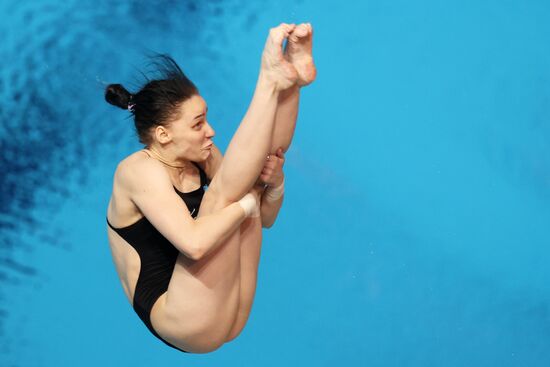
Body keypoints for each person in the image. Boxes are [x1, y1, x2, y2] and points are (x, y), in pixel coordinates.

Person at [105, 22, 316, 354]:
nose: (211, 132)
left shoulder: (197, 155)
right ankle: (270, 80)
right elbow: (195, 244)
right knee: (226, 197)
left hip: (225, 312)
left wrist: (273, 186)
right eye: (198, 124)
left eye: (206, 118)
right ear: (163, 135)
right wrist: (248, 204)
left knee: (253, 175)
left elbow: (264, 217)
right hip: (181, 319)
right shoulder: (137, 171)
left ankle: (290, 81)